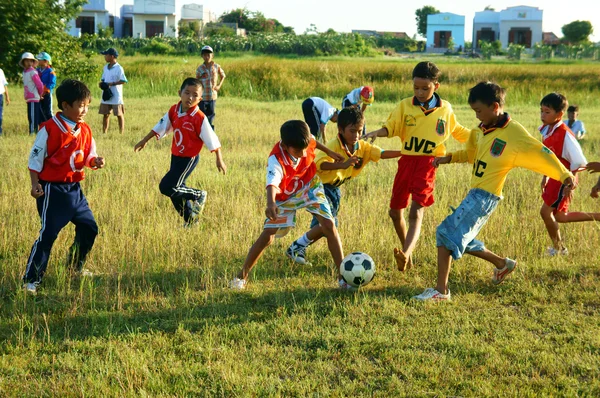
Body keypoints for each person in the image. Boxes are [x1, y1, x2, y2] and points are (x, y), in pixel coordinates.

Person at [413, 82, 575, 302]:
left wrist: (565, 175)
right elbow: (471, 154)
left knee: (445, 233)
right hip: (476, 193)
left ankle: (441, 291)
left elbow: (541, 152)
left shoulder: (513, 132)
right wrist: (448, 158)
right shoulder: (480, 132)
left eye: (479, 111)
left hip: (485, 197)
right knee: (465, 239)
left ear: (495, 106)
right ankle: (502, 264)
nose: (477, 116)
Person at [363, 61, 471, 272]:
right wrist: (377, 132)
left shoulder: (445, 109)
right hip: (406, 162)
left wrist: (482, 137)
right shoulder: (404, 106)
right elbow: (391, 127)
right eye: (416, 88)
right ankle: (407, 255)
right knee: (395, 212)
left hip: (428, 164)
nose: (420, 92)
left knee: (416, 212)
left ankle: (406, 252)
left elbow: (458, 131)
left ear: (436, 86)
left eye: (425, 88)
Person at [229, 120, 348, 290]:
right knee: (269, 235)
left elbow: (314, 141)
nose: (302, 153)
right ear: (285, 146)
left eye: (304, 148)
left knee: (329, 225)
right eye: (298, 150)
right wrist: (271, 203)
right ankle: (241, 277)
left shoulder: (305, 141)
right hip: (284, 196)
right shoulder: (276, 159)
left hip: (309, 186)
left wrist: (330, 152)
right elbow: (272, 182)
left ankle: (343, 277)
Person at [286, 106, 402, 265]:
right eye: (352, 131)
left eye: (360, 131)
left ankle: (298, 247)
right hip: (320, 187)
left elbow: (381, 153)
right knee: (328, 225)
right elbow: (320, 165)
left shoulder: (362, 147)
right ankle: (297, 247)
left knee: (326, 226)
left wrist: (404, 152)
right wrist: (343, 164)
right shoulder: (334, 145)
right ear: (340, 129)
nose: (356, 135)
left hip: (334, 189)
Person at [23, 79, 105, 294]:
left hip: (75, 190)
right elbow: (35, 160)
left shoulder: (85, 129)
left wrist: (94, 161)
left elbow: (88, 155)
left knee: (89, 228)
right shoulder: (49, 129)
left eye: (87, 105)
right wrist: (35, 185)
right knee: (48, 235)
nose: (85, 109)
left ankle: (74, 267)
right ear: (65, 105)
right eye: (80, 105)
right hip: (53, 190)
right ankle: (31, 280)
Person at [134, 78, 226, 226]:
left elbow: (212, 138)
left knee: (166, 187)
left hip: (189, 158)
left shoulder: (199, 118)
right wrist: (145, 140)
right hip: (175, 156)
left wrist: (219, 158)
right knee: (175, 193)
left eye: (195, 95)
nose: (190, 97)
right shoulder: (174, 110)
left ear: (200, 98)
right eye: (187, 93)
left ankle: (199, 195)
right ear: (180, 93)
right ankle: (191, 221)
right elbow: (161, 125)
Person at [538, 93, 600, 256]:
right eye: (541, 111)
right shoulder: (547, 130)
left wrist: (569, 185)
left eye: (547, 112)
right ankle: (598, 216)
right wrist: (545, 176)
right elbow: (549, 157)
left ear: (559, 115)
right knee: (560, 216)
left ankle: (559, 249)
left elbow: (579, 161)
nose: (542, 115)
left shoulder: (565, 134)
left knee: (545, 212)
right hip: (554, 177)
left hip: (563, 179)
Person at [195, 45, 225, 131]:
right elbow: (197, 82)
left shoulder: (216, 66)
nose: (206, 57)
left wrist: (219, 86)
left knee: (211, 115)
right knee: (202, 115)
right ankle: (202, 133)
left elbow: (223, 75)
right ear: (202, 56)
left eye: (208, 55)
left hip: (212, 96)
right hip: (203, 96)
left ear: (212, 56)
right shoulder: (200, 69)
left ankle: (210, 133)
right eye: (204, 55)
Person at [98, 48, 127, 134]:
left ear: (112, 56)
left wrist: (112, 84)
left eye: (106, 55)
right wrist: (102, 84)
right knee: (105, 114)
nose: (105, 57)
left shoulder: (119, 68)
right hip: (106, 94)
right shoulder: (105, 68)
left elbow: (123, 81)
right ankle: (104, 132)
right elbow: (103, 79)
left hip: (116, 95)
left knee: (119, 114)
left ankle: (121, 132)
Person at [20, 52, 43, 135]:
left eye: (31, 61)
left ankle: (33, 132)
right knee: (30, 116)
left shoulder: (33, 72)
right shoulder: (25, 72)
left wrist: (40, 94)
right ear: (23, 62)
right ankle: (33, 131)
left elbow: (39, 84)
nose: (29, 63)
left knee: (33, 116)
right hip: (29, 98)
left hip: (34, 97)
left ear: (33, 63)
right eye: (27, 61)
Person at [36, 52, 57, 123]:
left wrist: (44, 91)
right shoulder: (37, 71)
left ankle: (53, 125)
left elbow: (52, 83)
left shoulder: (51, 71)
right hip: (38, 94)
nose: (38, 61)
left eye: (40, 60)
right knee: (39, 112)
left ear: (46, 61)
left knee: (48, 111)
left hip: (47, 94)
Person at [0, 66, 10, 136]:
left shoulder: (0, 71)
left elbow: (4, 84)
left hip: (0, 95)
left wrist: (7, 96)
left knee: (0, 115)